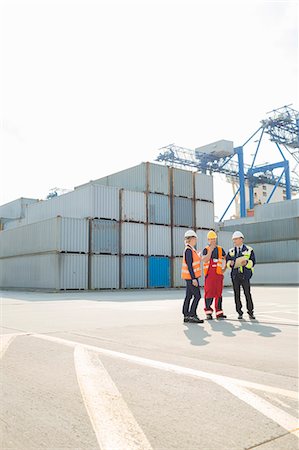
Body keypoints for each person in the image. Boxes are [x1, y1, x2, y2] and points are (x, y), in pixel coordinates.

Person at [226, 231, 256, 320]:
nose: (234, 241)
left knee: (247, 293)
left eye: (235, 239)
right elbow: (227, 262)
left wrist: (246, 262)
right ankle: (239, 312)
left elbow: (253, 262)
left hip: (245, 275)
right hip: (235, 276)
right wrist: (230, 263)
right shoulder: (231, 251)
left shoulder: (249, 250)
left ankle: (250, 312)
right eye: (233, 239)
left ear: (241, 239)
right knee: (236, 294)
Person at [181, 230, 206, 323]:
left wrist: (198, 255)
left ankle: (186, 315)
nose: (196, 240)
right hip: (191, 278)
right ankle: (192, 315)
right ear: (191, 239)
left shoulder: (191, 250)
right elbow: (190, 265)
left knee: (188, 296)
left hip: (189, 278)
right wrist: (193, 279)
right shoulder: (188, 250)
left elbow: (193, 261)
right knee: (197, 296)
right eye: (195, 238)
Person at [202, 230, 227, 320]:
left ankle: (219, 312)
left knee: (218, 293)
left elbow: (224, 260)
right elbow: (205, 260)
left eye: (214, 239)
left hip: (218, 275)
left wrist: (224, 269)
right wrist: (211, 250)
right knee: (209, 293)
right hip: (209, 275)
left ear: (216, 239)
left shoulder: (220, 249)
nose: (212, 240)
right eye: (211, 239)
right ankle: (208, 312)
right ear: (208, 240)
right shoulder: (206, 250)